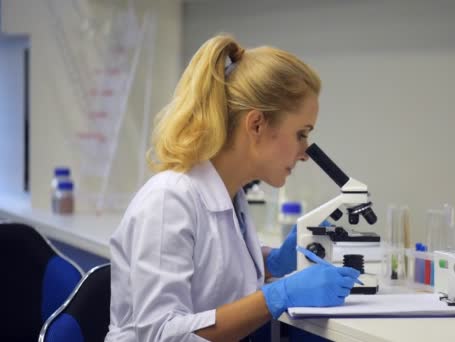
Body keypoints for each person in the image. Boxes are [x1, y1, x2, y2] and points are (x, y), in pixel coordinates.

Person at [105, 34, 360, 342]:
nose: (305, 152)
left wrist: (272, 261)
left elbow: (211, 269)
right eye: (301, 134)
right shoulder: (168, 201)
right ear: (256, 125)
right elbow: (161, 334)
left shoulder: (230, 195)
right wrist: (277, 295)